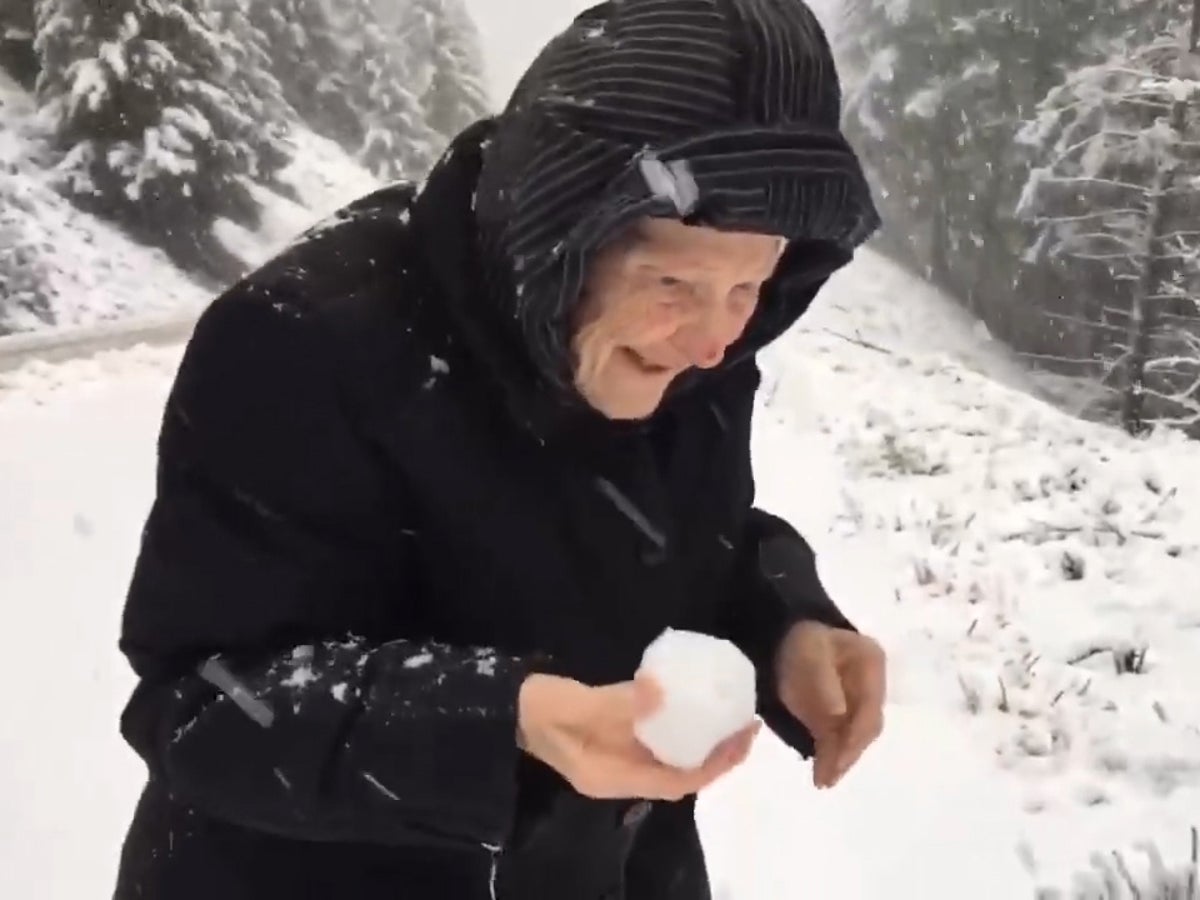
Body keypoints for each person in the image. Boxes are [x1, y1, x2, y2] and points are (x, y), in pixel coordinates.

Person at [112, 1, 887, 898]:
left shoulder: (684, 347)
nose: (714, 340)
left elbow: (666, 533)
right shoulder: (303, 343)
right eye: (673, 279)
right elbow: (203, 699)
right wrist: (505, 721)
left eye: (751, 283)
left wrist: (782, 622)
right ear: (555, 226)